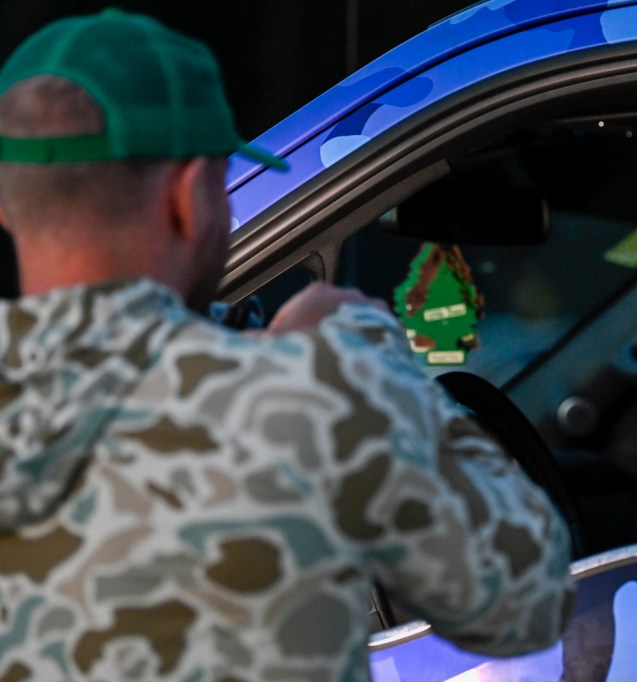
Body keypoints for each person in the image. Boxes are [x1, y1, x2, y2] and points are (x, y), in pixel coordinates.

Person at [0, 10, 573, 681]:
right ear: (189, 198)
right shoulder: (312, 395)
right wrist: (368, 363)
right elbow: (529, 602)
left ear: (7, 206)